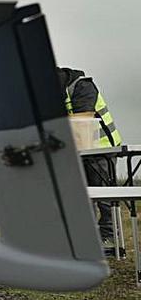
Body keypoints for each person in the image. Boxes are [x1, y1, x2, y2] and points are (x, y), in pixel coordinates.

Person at [59, 67, 123, 247]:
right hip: (78, 151)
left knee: (104, 197)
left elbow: (83, 119)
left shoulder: (83, 86)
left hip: (102, 149)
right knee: (82, 197)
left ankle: (109, 237)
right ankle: (86, 237)